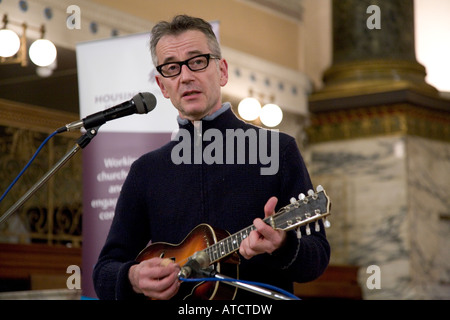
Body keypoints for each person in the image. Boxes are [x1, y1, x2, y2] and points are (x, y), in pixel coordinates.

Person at [93, 14, 330, 300]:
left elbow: (316, 259)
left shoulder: (278, 150)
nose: (185, 76)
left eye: (197, 61)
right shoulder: (146, 170)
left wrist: (283, 245)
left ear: (222, 71)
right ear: (162, 86)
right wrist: (131, 276)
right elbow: (104, 270)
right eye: (172, 68)